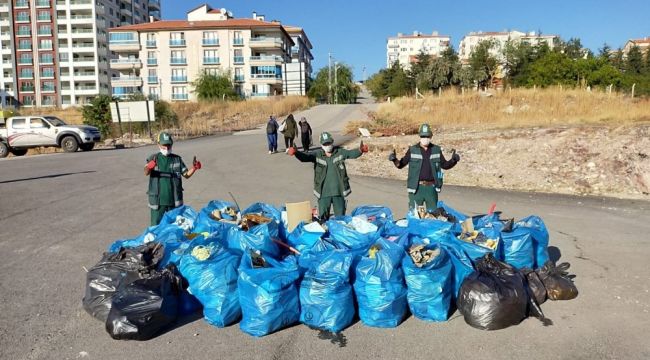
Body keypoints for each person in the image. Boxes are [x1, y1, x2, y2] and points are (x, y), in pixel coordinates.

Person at [288, 132, 369, 220]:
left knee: (340, 219)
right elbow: (305, 157)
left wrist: (360, 150)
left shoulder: (340, 152)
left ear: (332, 142)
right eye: (325, 144)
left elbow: (351, 153)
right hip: (323, 193)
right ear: (321, 145)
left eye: (329, 143)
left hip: (338, 191)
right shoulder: (317, 155)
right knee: (323, 219)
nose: (327, 145)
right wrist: (296, 153)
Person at [389, 123, 460, 211]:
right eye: (423, 136)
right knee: (415, 216)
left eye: (427, 136)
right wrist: (394, 159)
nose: (425, 138)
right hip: (416, 188)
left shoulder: (436, 150)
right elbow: (400, 165)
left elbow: (445, 165)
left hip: (431, 189)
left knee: (433, 215)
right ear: (419, 137)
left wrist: (454, 160)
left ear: (430, 137)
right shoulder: (412, 150)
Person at [144, 132, 202, 226]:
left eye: (169, 145)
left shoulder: (177, 159)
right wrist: (149, 167)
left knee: (175, 226)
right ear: (158, 144)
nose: (166, 148)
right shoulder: (154, 158)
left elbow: (186, 174)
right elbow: (146, 172)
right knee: (156, 227)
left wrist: (194, 168)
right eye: (164, 146)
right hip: (158, 202)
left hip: (174, 201)